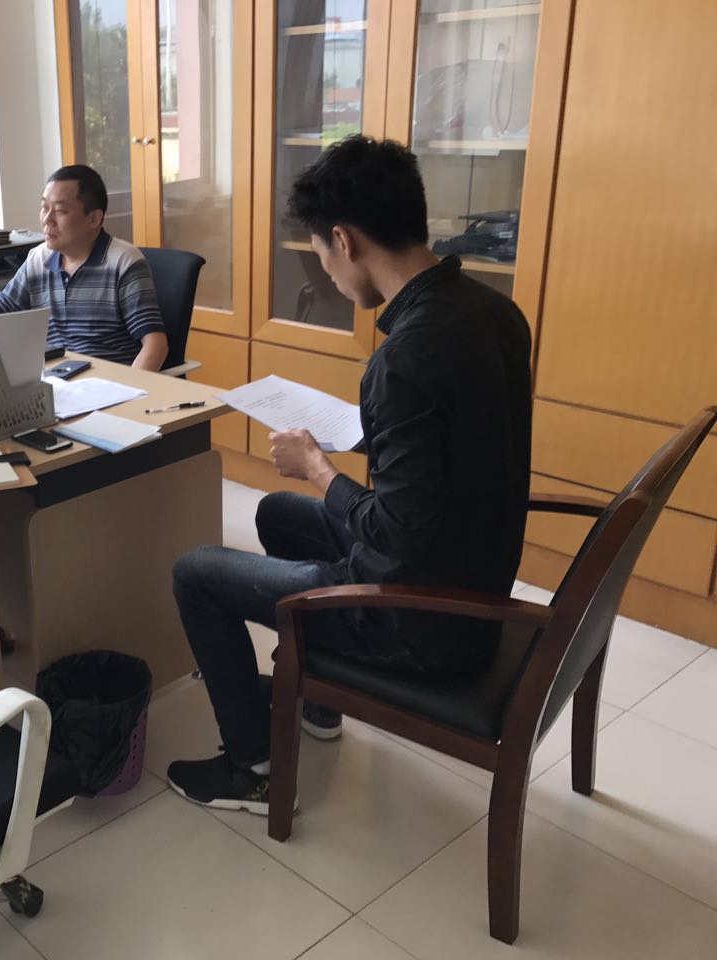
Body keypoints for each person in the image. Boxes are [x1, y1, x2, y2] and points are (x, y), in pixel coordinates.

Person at [166, 135, 533, 814]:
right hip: (473, 575)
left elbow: (393, 538)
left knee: (196, 573)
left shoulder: (403, 358)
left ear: (344, 239)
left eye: (322, 257)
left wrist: (318, 467)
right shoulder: (496, 313)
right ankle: (319, 698)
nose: (329, 275)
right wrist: (366, 447)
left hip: (423, 622)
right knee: (275, 512)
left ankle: (252, 767)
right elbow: (455, 444)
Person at [0, 164, 168, 371]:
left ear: (94, 219)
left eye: (60, 211)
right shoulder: (38, 260)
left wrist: (129, 387)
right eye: (44, 207)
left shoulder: (124, 262)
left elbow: (155, 345)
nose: (47, 220)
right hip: (55, 380)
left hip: (108, 382)